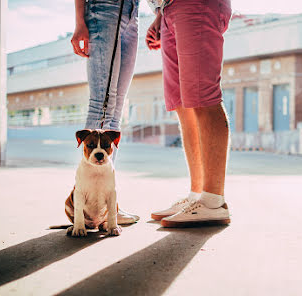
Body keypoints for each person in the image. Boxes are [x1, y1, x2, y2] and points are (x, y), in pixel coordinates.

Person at [146, 0, 233, 227]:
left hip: (196, 4)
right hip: (167, 8)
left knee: (204, 99)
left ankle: (213, 202)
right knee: (183, 105)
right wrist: (159, 14)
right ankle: (197, 197)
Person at [71, 0, 140, 224]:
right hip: (104, 8)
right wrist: (79, 20)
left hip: (133, 12)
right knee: (103, 103)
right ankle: (86, 208)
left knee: (116, 109)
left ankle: (105, 207)